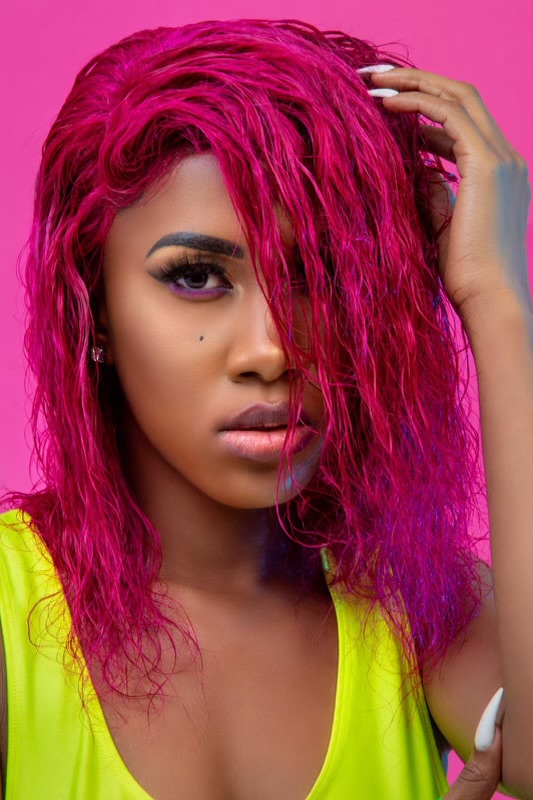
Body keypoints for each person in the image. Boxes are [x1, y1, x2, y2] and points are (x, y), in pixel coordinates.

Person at [0, 17, 531, 800]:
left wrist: (496, 299)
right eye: (194, 277)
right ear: (95, 308)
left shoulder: (412, 600)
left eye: (319, 274)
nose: (272, 350)